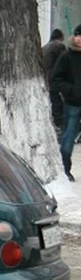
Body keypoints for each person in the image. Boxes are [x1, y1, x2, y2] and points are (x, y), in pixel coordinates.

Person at [51, 24, 81, 182]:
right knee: (67, 140)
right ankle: (65, 170)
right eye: (77, 35)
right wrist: (71, 90)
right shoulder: (67, 57)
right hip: (73, 104)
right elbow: (55, 80)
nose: (79, 39)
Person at [42, 28, 66, 131]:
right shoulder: (59, 46)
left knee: (53, 101)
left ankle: (55, 124)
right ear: (60, 38)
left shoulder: (44, 48)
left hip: (45, 80)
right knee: (58, 103)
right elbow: (65, 62)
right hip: (56, 80)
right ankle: (60, 124)